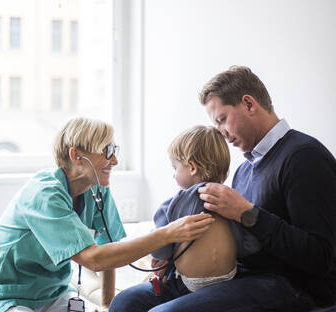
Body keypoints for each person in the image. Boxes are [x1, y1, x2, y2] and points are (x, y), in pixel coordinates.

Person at [109, 66, 336, 312]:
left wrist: (247, 214)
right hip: (243, 278)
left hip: (293, 286)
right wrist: (172, 258)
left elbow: (322, 257)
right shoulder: (244, 171)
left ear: (249, 104)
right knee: (126, 303)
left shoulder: (303, 156)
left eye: (222, 120)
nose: (222, 134)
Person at [0, 117, 215, 312]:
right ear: (76, 155)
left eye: (115, 149)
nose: (115, 159)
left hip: (53, 294)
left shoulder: (97, 190)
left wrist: (107, 303)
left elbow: (111, 247)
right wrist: (167, 234)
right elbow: (94, 259)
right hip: (4, 295)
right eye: (107, 151)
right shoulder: (44, 194)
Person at [150, 125, 260, 293]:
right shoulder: (233, 201)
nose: (173, 174)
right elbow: (249, 245)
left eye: (175, 168)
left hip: (188, 284)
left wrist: (161, 257)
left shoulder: (173, 204)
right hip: (228, 280)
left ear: (192, 167)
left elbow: (159, 245)